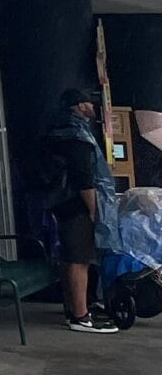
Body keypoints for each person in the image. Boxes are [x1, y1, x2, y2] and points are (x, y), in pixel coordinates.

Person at [40, 86, 121, 333]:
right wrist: (94, 209)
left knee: (71, 257)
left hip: (62, 201)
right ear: (80, 106)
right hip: (76, 204)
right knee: (79, 259)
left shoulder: (59, 128)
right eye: (90, 103)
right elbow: (83, 176)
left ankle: (75, 308)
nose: (93, 107)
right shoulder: (75, 133)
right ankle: (80, 316)